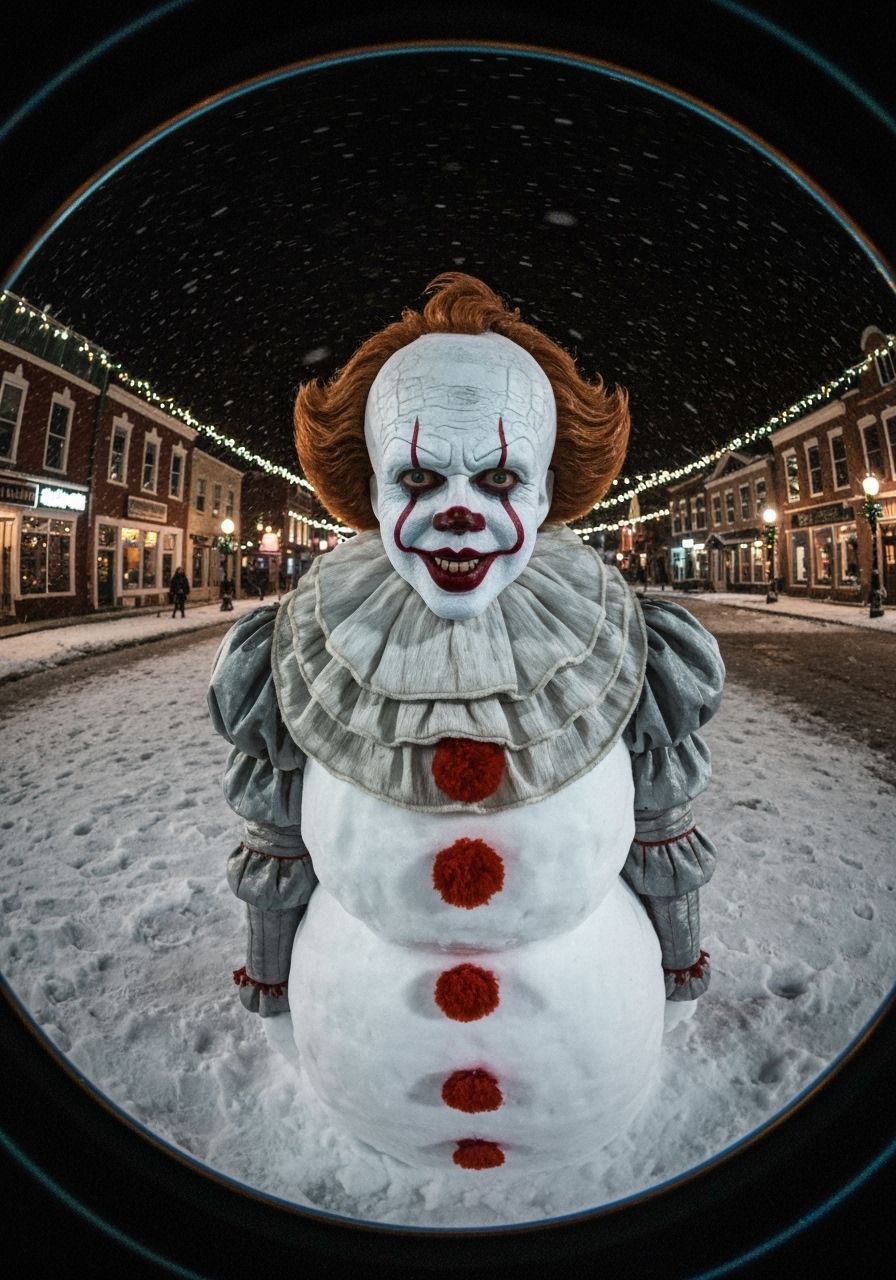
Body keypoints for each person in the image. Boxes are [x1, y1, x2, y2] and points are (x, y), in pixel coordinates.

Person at [208, 273, 724, 1174]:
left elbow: (661, 824)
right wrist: (272, 976)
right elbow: (276, 839)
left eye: (498, 475)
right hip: (365, 1054)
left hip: (590, 1050)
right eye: (416, 474)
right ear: (367, 486)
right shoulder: (297, 646)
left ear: (546, 489)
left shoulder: (631, 642)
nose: (459, 510)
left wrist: (679, 966)